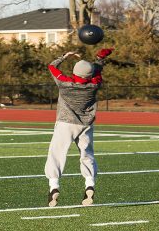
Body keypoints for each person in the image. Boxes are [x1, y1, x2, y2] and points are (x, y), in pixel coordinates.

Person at [44, 48, 113, 207]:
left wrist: (64, 56)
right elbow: (97, 70)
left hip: (65, 123)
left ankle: (54, 186)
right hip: (85, 124)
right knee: (87, 154)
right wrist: (100, 57)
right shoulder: (94, 84)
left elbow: (52, 67)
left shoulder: (64, 83)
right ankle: (89, 183)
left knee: (56, 154)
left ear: (74, 72)